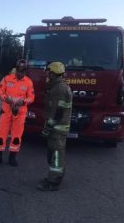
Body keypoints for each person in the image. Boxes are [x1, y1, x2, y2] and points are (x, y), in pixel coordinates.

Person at [0, 59, 35, 166]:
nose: (19, 73)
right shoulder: (7, 79)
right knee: (1, 134)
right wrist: (6, 98)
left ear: (25, 71)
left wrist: (23, 101)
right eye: (18, 70)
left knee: (17, 137)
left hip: (20, 113)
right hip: (6, 111)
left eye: (22, 71)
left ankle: (12, 158)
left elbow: (31, 97)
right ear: (16, 69)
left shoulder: (28, 82)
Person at [37, 62, 73, 191]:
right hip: (59, 128)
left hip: (57, 129)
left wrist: (47, 128)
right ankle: (55, 177)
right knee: (55, 155)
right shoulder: (60, 87)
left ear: (52, 74)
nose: (47, 75)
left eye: (48, 72)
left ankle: (53, 182)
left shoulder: (59, 89)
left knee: (56, 156)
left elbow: (57, 113)